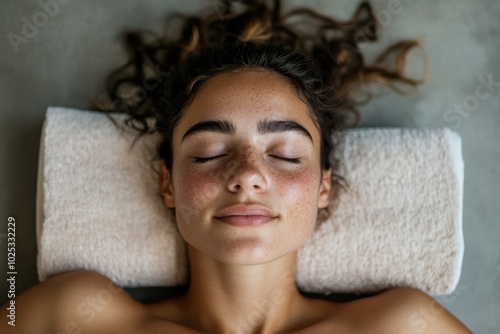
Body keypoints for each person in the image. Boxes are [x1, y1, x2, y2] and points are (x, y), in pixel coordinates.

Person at [2, 1, 471, 333]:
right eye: (208, 152)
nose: (248, 174)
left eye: (285, 155)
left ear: (323, 186)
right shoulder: (73, 315)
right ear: (168, 182)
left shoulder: (403, 325)